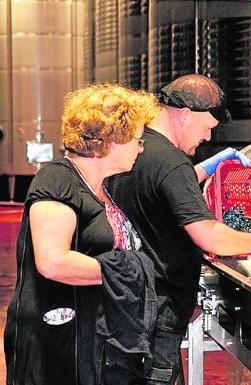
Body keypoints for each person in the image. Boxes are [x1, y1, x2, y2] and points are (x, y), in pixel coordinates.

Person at [105, 74, 251, 384]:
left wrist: (203, 169)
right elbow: (208, 234)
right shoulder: (172, 163)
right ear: (185, 115)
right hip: (158, 313)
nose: (207, 138)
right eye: (207, 129)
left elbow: (158, 191)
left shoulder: (137, 149)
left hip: (129, 305)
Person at [4, 83, 161, 385]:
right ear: (112, 140)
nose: (141, 148)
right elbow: (52, 262)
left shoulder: (104, 186)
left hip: (92, 338)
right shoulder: (57, 181)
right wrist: (133, 274)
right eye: (138, 140)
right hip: (58, 341)